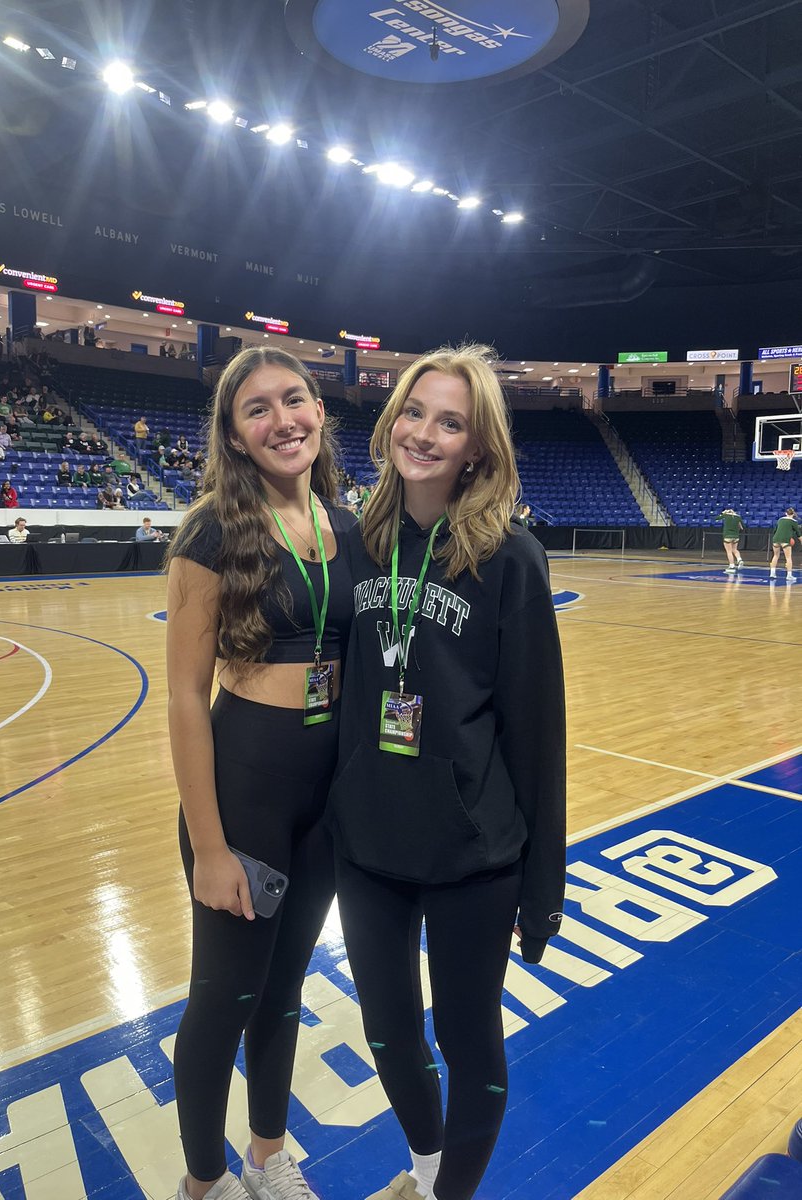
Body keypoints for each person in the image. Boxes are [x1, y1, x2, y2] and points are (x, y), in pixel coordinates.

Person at [327, 345, 567, 1200]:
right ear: (392, 419)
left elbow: (539, 733)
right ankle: (427, 1167)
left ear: (478, 448)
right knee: (388, 1033)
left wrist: (545, 887)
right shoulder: (355, 544)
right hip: (368, 845)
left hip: (474, 854)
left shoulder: (511, 559)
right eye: (414, 412)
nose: (425, 433)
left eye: (451, 422)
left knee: (469, 1041)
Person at [164, 347, 356, 1200]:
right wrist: (210, 846)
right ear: (235, 436)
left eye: (296, 399)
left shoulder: (349, 524)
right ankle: (204, 1185)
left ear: (319, 411)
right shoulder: (212, 528)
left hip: (322, 804)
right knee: (223, 1001)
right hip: (243, 799)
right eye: (257, 409)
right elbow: (181, 697)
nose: (283, 420)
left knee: (284, 993)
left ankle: (267, 1158)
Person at [769, 506, 801, 583]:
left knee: (775, 556)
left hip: (775, 539)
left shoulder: (780, 520)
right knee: (788, 558)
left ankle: (772, 573)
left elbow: (775, 530)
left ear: (785, 513)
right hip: (785, 540)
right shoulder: (794, 522)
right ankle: (789, 575)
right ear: (793, 514)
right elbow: (799, 534)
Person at [714, 507, 744, 573]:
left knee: (729, 551)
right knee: (735, 550)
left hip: (727, 536)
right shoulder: (738, 517)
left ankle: (732, 565)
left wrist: (722, 513)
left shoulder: (726, 515)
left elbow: (716, 518)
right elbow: (743, 527)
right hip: (736, 536)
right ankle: (739, 560)